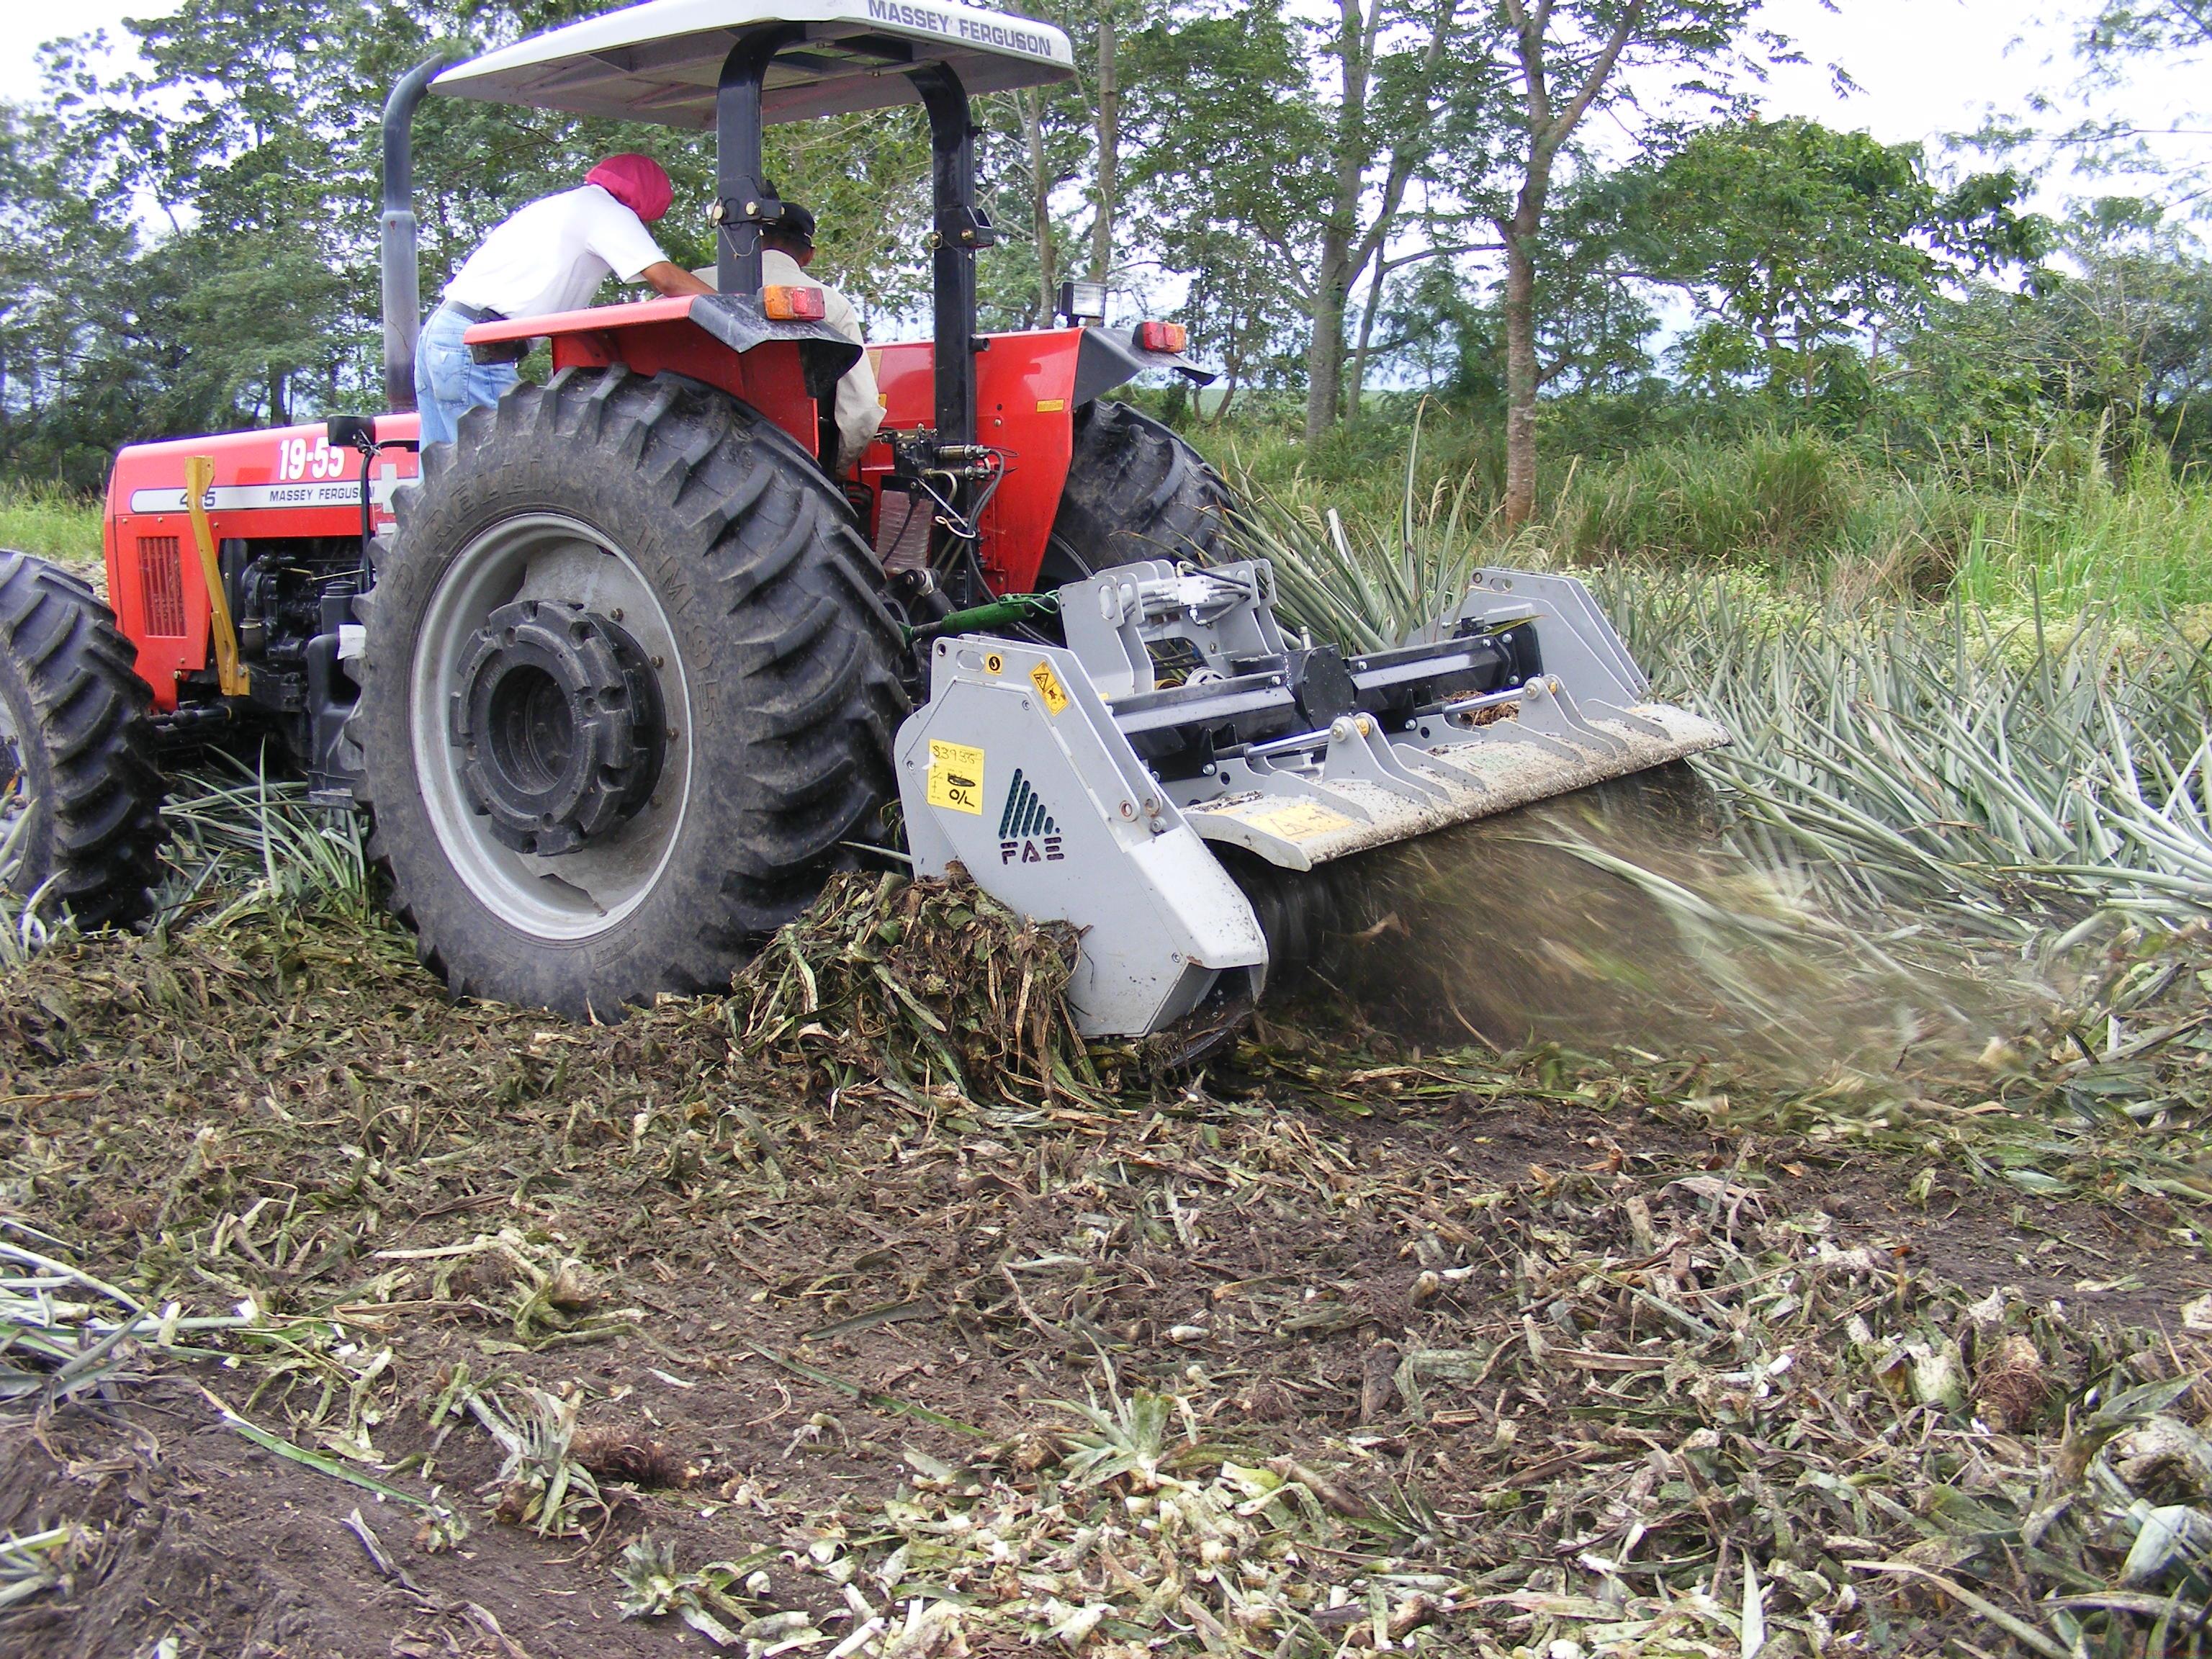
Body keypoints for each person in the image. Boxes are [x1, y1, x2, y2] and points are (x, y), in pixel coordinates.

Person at [415, 153, 714, 446]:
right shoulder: (607, 211)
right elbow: (666, 279)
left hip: (443, 334)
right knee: (503, 469)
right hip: (478, 346)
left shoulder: (560, 206)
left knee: (441, 484)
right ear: (644, 206)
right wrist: (730, 306)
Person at [698, 197, 883, 472]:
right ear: (809, 255)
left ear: (752, 240)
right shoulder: (831, 305)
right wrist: (832, 472)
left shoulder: (689, 286)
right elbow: (862, 411)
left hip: (698, 453)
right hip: (790, 469)